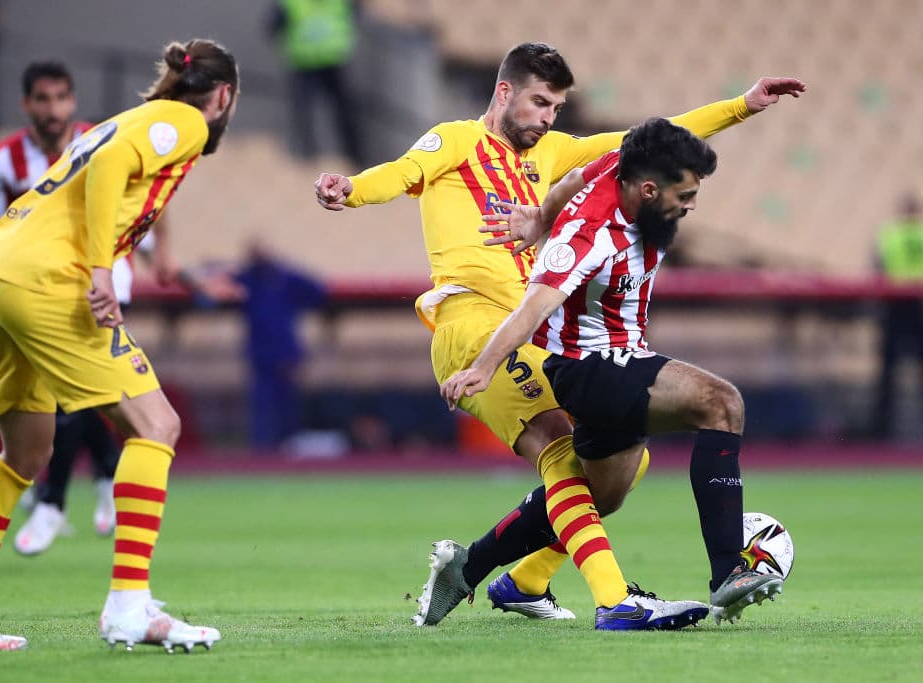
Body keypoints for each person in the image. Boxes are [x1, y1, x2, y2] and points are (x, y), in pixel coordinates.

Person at [315, 40, 805, 629]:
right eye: (539, 102)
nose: (548, 118)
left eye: (556, 107)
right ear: (504, 93)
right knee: (558, 452)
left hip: (534, 337)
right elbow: (402, 172)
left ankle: (516, 579)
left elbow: (651, 142)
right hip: (473, 325)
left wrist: (741, 106)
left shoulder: (553, 153)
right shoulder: (456, 140)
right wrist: (354, 189)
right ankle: (615, 601)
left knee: (622, 470)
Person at [0, 38, 239, 652]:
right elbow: (111, 167)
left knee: (25, 453)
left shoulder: (133, 117)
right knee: (157, 424)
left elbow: (110, 176)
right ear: (223, 95)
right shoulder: (182, 121)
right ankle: (129, 607)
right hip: (49, 280)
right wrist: (99, 268)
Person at [441, 116, 788, 625]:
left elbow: (571, 179)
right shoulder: (589, 235)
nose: (691, 205)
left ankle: (471, 570)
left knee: (597, 495)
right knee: (722, 403)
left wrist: (538, 216)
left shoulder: (619, 169)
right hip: (591, 367)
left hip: (618, 360)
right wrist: (483, 367)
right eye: (684, 195)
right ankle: (728, 573)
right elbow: (532, 309)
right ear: (648, 190)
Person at [0, 60, 121, 555]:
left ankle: (52, 502)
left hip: (99, 280)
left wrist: (158, 257)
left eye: (62, 97)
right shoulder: (5, 161)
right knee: (78, 395)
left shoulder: (99, 143)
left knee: (72, 394)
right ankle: (105, 474)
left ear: (74, 100)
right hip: (36, 288)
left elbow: (136, 202)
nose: (54, 108)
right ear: (27, 104)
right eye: (43, 98)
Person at [232, 241, 327, 449]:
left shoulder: (284, 278)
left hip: (286, 355)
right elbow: (217, 287)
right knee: (262, 408)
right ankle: (263, 454)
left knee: (288, 407)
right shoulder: (248, 279)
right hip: (260, 357)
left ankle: (289, 452)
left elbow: (318, 289)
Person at [268, 0, 364, 166]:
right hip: (317, 61)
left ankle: (314, 155)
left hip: (321, 61)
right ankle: (341, 154)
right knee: (333, 112)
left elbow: (273, 27)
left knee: (314, 112)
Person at [871, 191, 923, 438]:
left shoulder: (890, 234)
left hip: (895, 305)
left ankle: (883, 429)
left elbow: (878, 269)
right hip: (916, 305)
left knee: (888, 372)